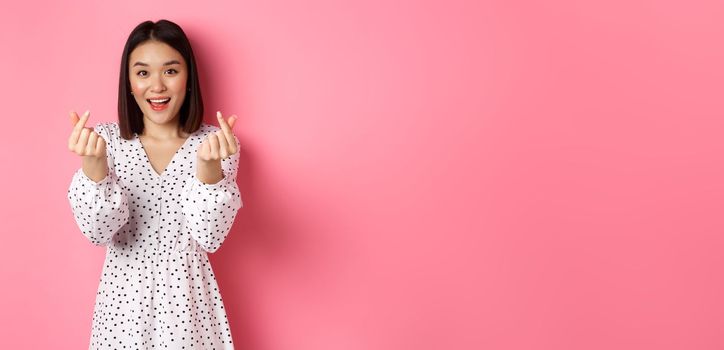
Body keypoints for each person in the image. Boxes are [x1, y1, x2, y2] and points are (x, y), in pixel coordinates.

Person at [66, 19, 242, 349]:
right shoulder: (106, 141)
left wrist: (207, 169)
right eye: (143, 72)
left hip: (189, 308)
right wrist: (94, 170)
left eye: (171, 71)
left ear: (188, 78)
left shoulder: (217, 144)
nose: (157, 86)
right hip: (122, 307)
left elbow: (210, 236)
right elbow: (98, 233)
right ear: (129, 82)